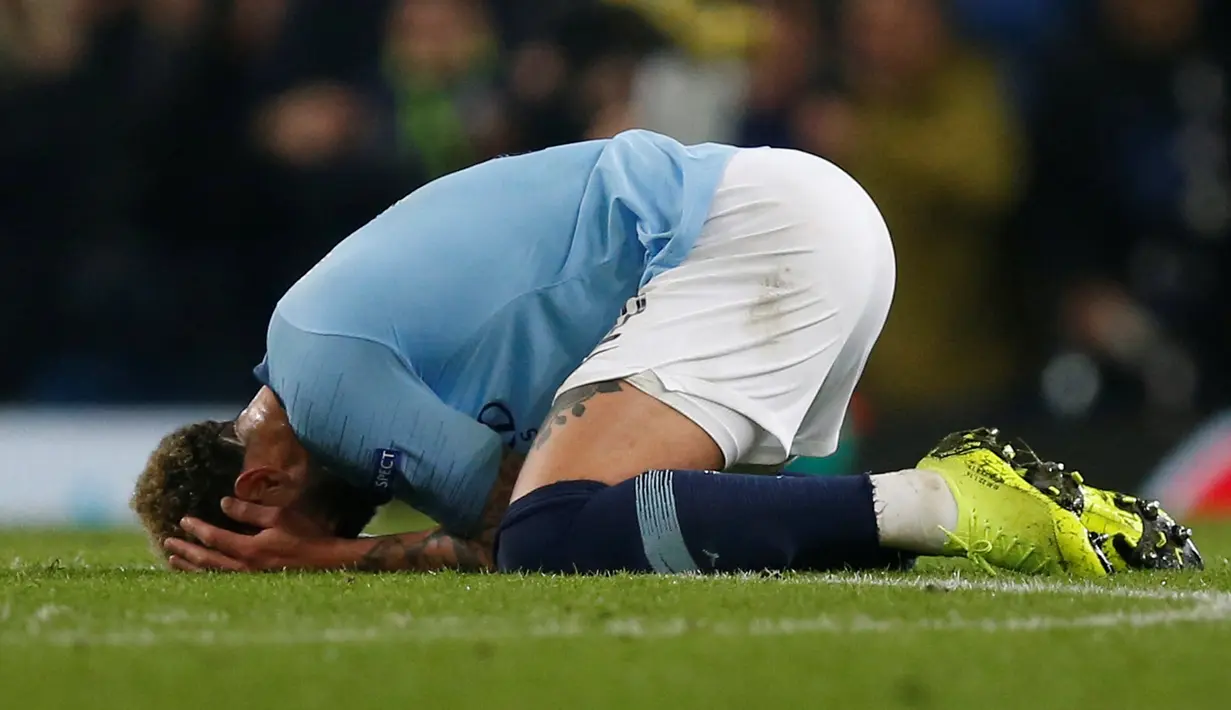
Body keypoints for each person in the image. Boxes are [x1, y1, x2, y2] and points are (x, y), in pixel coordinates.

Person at [132, 130, 1198, 577]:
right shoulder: (339, 350)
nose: (364, 506)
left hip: (749, 233)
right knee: (638, 529)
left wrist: (331, 557)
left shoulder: (316, 366)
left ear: (261, 476)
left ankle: (953, 500)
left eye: (259, 531)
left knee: (555, 529)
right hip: (782, 221)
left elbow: (512, 531)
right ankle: (1074, 517)